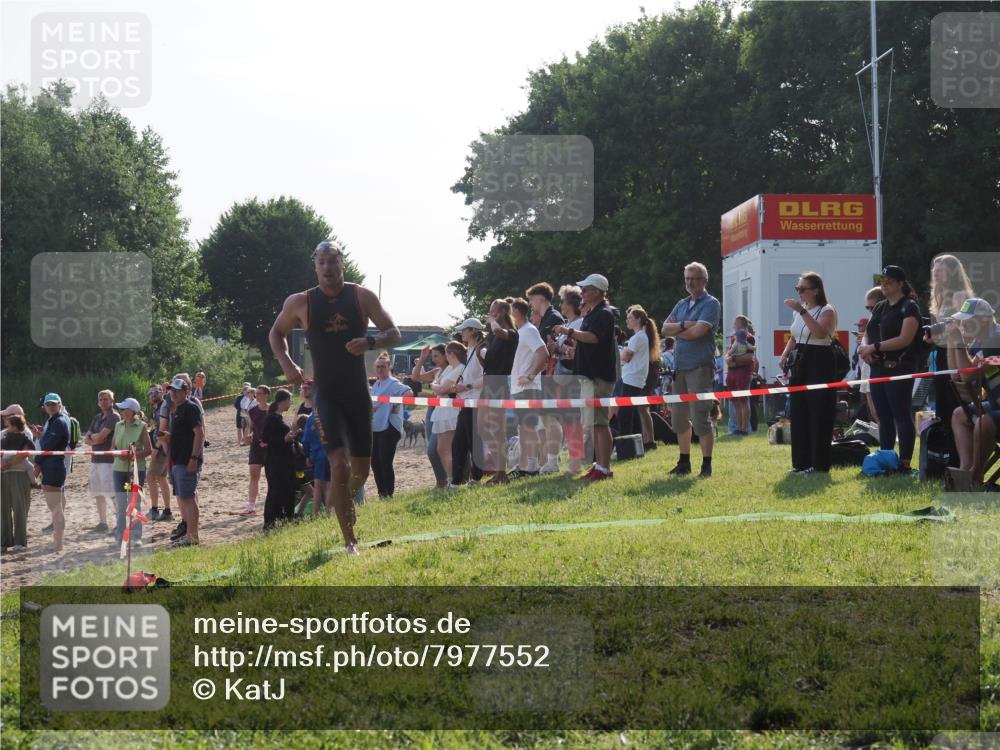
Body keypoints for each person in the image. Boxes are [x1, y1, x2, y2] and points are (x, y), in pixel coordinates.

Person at [269, 238, 401, 554]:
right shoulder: (301, 302)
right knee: (338, 465)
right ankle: (349, 539)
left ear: (342, 263)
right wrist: (287, 363)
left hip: (358, 395)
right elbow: (276, 333)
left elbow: (393, 332)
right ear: (315, 267)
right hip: (326, 396)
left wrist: (369, 343)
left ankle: (341, 503)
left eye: (333, 261)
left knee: (360, 471)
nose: (328, 267)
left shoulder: (361, 296)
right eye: (322, 262)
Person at [857, 265, 923, 474]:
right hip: (878, 367)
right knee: (883, 415)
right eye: (881, 282)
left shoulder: (909, 307)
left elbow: (905, 339)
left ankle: (904, 463)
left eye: (888, 282)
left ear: (900, 284)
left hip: (899, 367)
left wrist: (874, 347)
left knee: (901, 413)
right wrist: (865, 350)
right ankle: (885, 458)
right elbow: (868, 332)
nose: (883, 285)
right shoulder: (880, 306)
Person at [553, 273, 617, 481]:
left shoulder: (604, 314)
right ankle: (599, 466)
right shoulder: (593, 313)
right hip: (590, 375)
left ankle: (604, 468)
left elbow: (593, 338)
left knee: (600, 423)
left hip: (598, 375)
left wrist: (569, 332)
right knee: (595, 423)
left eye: (586, 289)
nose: (582, 292)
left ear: (597, 292)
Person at [661, 262, 722, 478]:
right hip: (680, 368)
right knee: (678, 419)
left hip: (700, 367)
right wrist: (686, 325)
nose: (690, 282)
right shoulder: (681, 303)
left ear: (705, 280)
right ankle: (684, 462)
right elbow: (664, 328)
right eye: (687, 278)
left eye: (695, 278)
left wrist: (680, 329)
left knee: (700, 418)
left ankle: (706, 465)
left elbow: (699, 332)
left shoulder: (711, 303)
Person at [778, 272, 840, 475]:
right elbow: (794, 336)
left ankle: (818, 464)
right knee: (799, 412)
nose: (799, 293)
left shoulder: (826, 310)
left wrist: (801, 312)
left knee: (818, 413)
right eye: (798, 289)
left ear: (815, 291)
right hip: (800, 360)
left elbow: (821, 332)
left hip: (819, 361)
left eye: (803, 289)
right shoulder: (800, 310)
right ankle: (801, 463)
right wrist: (785, 354)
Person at [944, 298, 1000, 487]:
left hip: (996, 408)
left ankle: (975, 477)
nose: (962, 324)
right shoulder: (979, 341)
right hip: (996, 405)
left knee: (984, 422)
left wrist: (959, 342)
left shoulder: (996, 338)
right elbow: (955, 376)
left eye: (967, 320)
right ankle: (964, 471)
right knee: (959, 414)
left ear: (984, 320)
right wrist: (952, 343)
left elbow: (968, 376)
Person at [928, 254, 976, 430]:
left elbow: (968, 328)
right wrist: (933, 337)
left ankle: (955, 451)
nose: (936, 274)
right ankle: (946, 450)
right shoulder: (940, 296)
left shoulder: (959, 295)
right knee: (943, 402)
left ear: (952, 273)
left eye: (941, 271)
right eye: (935, 270)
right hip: (942, 353)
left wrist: (948, 336)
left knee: (952, 401)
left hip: (956, 353)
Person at [526, 282, 566, 472]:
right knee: (543, 419)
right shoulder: (544, 319)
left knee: (551, 418)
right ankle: (546, 460)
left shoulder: (553, 317)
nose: (530, 303)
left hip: (552, 375)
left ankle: (553, 460)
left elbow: (552, 351)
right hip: (543, 376)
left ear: (540, 298)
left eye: (531, 298)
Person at [479, 299, 519, 484]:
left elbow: (498, 330)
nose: (490, 314)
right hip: (489, 380)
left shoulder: (511, 333)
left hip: (501, 382)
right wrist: (480, 353)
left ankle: (501, 473)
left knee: (498, 429)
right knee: (483, 428)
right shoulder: (493, 336)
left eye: (493, 311)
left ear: (503, 312)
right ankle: (499, 468)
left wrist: (491, 322)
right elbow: (487, 364)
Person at [509, 298, 548, 477]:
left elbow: (543, 353)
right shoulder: (522, 331)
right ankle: (526, 466)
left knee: (528, 428)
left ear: (516, 311)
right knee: (524, 429)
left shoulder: (529, 331)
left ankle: (530, 467)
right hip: (521, 388)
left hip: (528, 388)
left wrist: (531, 375)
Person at [551, 285, 586, 475]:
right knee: (566, 419)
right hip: (561, 376)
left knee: (572, 420)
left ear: (571, 304)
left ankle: (575, 462)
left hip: (571, 377)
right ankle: (574, 459)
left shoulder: (579, 324)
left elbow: (574, 353)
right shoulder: (569, 324)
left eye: (563, 301)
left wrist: (559, 349)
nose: (561, 305)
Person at [166, 377, 205, 546]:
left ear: (186, 391)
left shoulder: (190, 408)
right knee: (183, 497)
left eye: (176, 390)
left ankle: (193, 536)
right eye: (171, 390)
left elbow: (200, 433)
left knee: (188, 498)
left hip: (187, 460)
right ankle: (189, 534)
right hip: (178, 460)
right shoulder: (178, 409)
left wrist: (194, 458)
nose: (173, 393)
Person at [111, 398, 153, 546]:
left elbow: (149, 450)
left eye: (124, 409)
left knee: (134, 502)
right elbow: (113, 448)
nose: (121, 412)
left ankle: (136, 536)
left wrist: (133, 456)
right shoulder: (118, 425)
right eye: (121, 409)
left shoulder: (141, 426)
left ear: (132, 411)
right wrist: (118, 454)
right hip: (119, 470)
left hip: (135, 471)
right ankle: (120, 535)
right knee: (121, 504)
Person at [371, 355, 415, 497]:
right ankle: (381, 493)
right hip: (376, 427)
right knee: (375, 462)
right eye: (378, 366)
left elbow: (409, 393)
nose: (380, 369)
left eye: (383, 366)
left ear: (389, 368)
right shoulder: (376, 384)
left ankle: (389, 494)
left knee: (385, 461)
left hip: (390, 427)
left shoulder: (393, 383)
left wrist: (396, 403)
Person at [618, 304, 659, 449]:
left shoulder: (638, 337)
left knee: (625, 414)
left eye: (630, 318)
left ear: (638, 319)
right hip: (634, 378)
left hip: (632, 378)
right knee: (632, 414)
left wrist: (621, 353)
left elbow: (626, 357)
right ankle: (636, 445)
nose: (627, 321)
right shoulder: (641, 337)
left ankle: (625, 446)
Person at [33, 394, 71, 551]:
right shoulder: (54, 420)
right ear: (45, 406)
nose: (51, 406)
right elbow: (47, 443)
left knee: (55, 508)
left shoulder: (59, 421)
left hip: (53, 466)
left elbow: (47, 447)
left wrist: (37, 463)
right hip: (52, 465)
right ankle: (58, 542)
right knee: (56, 506)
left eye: (54, 404)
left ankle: (59, 543)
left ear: (60, 405)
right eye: (48, 404)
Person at [451, 319, 486, 485]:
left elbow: (487, 377)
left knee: (472, 442)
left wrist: (466, 386)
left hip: (475, 401)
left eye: (464, 330)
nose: (461, 333)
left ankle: (476, 478)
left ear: (472, 331)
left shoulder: (482, 351)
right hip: (466, 401)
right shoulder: (470, 350)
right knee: (459, 444)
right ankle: (458, 481)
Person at [411, 344, 450, 488]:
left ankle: (447, 480)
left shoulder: (454, 370)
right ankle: (441, 481)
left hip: (445, 410)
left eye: (436, 356)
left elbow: (447, 393)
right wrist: (422, 358)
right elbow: (415, 377)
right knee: (433, 449)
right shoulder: (436, 371)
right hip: (432, 410)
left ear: (446, 355)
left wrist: (428, 394)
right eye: (432, 356)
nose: (433, 359)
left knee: (433, 450)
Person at [429, 342, 468, 484]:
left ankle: (454, 480)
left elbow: (440, 388)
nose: (445, 356)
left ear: (451, 354)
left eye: (446, 353)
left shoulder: (460, 368)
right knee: (442, 449)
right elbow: (439, 385)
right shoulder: (450, 368)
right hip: (442, 410)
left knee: (445, 449)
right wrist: (436, 385)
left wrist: (433, 385)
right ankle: (453, 479)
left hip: (450, 411)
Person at [83, 390, 121, 533]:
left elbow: (98, 438)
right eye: (101, 399)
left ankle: (120, 521)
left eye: (106, 399)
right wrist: (95, 437)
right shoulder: (97, 417)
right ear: (98, 402)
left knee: (111, 491)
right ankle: (102, 522)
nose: (103, 401)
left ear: (112, 401)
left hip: (108, 460)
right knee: (97, 491)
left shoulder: (114, 416)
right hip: (95, 459)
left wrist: (94, 437)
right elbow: (87, 439)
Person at [260, 388, 297, 529]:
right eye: (289, 400)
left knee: (287, 490)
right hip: (275, 462)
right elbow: (265, 439)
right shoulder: (272, 418)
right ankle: (269, 523)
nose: (290, 403)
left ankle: (285, 518)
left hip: (285, 460)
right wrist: (284, 439)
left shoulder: (280, 418)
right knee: (275, 491)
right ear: (284, 401)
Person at [1, 407, 35, 552]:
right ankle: (4, 541)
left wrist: (8, 463)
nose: (4, 419)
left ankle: (20, 541)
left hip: (18, 473)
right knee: (3, 509)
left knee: (19, 508)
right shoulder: (4, 434)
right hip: (4, 474)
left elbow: (25, 453)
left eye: (7, 417)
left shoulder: (25, 433)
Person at [857, 288, 885, 423]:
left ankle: (888, 440)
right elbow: (864, 343)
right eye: (868, 308)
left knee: (882, 411)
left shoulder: (888, 318)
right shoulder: (872, 319)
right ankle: (882, 439)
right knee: (874, 411)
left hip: (881, 366)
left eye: (872, 307)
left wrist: (869, 348)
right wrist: (863, 348)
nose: (870, 311)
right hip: (867, 367)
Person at [241, 385, 271, 515]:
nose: (257, 395)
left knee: (271, 477)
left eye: (259, 393)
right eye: (256, 393)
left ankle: (271, 503)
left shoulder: (272, 410)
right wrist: (247, 436)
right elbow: (251, 426)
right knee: (254, 475)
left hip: (270, 446)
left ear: (266, 394)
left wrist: (269, 441)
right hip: (256, 446)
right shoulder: (252, 410)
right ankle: (251, 506)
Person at [724, 315, 756, 436]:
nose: (733, 325)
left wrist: (734, 360)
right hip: (732, 373)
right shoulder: (734, 338)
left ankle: (744, 428)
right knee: (735, 401)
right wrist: (729, 360)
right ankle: (738, 427)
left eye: (735, 323)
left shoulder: (749, 338)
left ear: (741, 324)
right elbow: (727, 356)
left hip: (743, 372)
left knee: (743, 400)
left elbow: (749, 357)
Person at [146, 386, 172, 522]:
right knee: (161, 479)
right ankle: (167, 510)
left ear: (162, 393)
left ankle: (155, 510)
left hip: (162, 447)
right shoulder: (156, 408)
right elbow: (153, 428)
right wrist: (145, 420)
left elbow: (163, 429)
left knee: (150, 476)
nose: (152, 395)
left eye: (156, 392)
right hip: (160, 447)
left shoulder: (163, 407)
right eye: (150, 393)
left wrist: (156, 447)